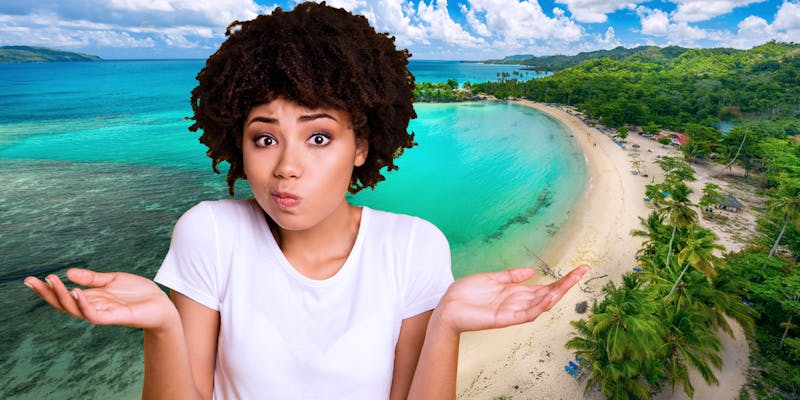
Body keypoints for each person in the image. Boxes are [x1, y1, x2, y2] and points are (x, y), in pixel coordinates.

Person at [23, 3, 589, 399]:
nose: (286, 165)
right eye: (264, 137)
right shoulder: (209, 233)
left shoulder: (414, 247)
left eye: (319, 137)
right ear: (237, 145)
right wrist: (162, 324)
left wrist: (446, 325)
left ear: (362, 146)